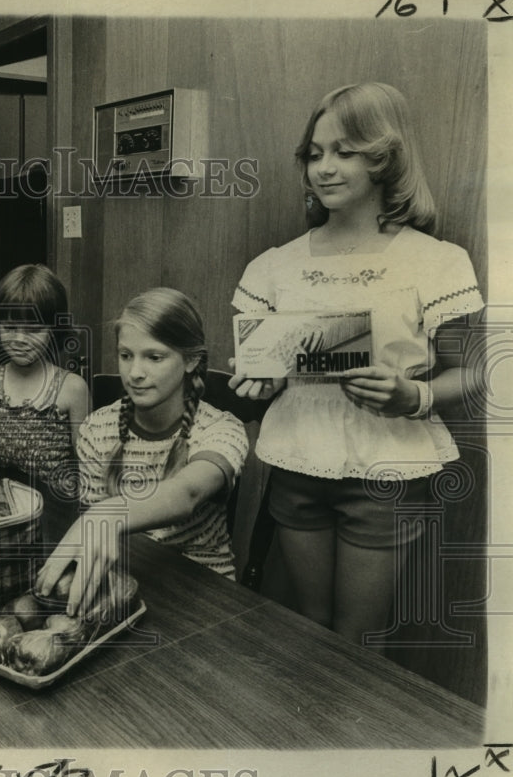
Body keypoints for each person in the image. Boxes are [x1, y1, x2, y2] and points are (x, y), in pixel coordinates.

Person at [228, 82, 485, 645]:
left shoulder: (436, 262)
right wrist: (263, 379)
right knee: (309, 629)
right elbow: (265, 372)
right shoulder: (275, 266)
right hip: (297, 466)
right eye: (315, 153)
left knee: (358, 640)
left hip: (387, 471)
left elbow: (474, 373)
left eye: (344, 151)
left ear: (384, 155)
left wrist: (410, 396)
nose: (325, 167)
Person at [36, 288, 249, 616]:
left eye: (154, 357)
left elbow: (186, 493)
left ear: (191, 359)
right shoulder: (97, 428)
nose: (135, 372)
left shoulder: (221, 429)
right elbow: (95, 540)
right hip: (127, 589)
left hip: (206, 599)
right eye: (126, 355)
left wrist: (105, 514)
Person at [0, 264, 90, 545]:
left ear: (54, 329)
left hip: (54, 520)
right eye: (10, 327)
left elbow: (86, 468)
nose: (19, 339)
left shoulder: (72, 388)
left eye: (33, 330)